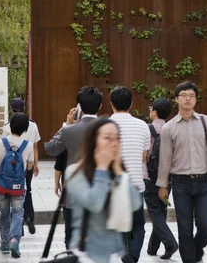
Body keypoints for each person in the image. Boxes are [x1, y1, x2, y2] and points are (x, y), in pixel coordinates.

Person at [158, 81, 207, 263]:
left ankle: (196, 250)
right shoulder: (168, 128)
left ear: (196, 99)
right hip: (180, 184)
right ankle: (190, 259)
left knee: (206, 226)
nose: (187, 99)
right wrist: (163, 186)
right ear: (177, 99)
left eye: (191, 95)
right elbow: (165, 159)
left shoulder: (206, 122)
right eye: (183, 95)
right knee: (184, 228)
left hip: (204, 182)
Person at [64, 117, 142, 263]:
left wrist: (118, 171)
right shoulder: (75, 172)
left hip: (114, 253)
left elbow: (135, 204)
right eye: (107, 138)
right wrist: (101, 169)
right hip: (87, 253)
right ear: (94, 142)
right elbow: (94, 203)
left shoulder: (115, 172)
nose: (114, 143)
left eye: (117, 138)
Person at [45, 85, 103, 247]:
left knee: (71, 237)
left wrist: (66, 125)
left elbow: (51, 148)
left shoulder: (69, 131)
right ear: (99, 106)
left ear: (79, 106)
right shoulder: (108, 130)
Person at [109, 86, 151, 263]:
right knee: (138, 225)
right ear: (131, 104)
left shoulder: (104, 126)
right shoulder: (142, 126)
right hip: (135, 184)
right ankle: (132, 256)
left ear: (111, 104)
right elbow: (144, 156)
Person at [0, 112, 34, 258]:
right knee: (18, 213)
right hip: (19, 186)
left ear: (10, 126)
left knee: (4, 214)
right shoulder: (28, 145)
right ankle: (15, 239)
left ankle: (4, 244)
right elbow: (29, 167)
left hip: (2, 185)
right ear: (25, 129)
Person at [144, 98, 178, 259]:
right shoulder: (172, 129)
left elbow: (144, 155)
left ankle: (170, 243)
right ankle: (152, 248)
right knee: (160, 210)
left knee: (155, 212)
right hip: (168, 178)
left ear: (155, 112)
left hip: (150, 177)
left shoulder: (148, 129)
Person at [1, 97, 41, 235]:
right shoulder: (33, 125)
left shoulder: (7, 126)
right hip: (27, 165)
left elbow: (3, 148)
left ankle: (18, 226)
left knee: (12, 194)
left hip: (11, 167)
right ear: (24, 108)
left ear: (11, 110)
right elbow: (35, 146)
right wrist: (36, 163)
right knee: (26, 190)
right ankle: (29, 216)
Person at [54, 150, 69, 247]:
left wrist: (56, 183)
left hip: (68, 187)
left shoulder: (65, 140)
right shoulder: (90, 138)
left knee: (68, 219)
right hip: (87, 186)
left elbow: (58, 165)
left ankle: (69, 245)